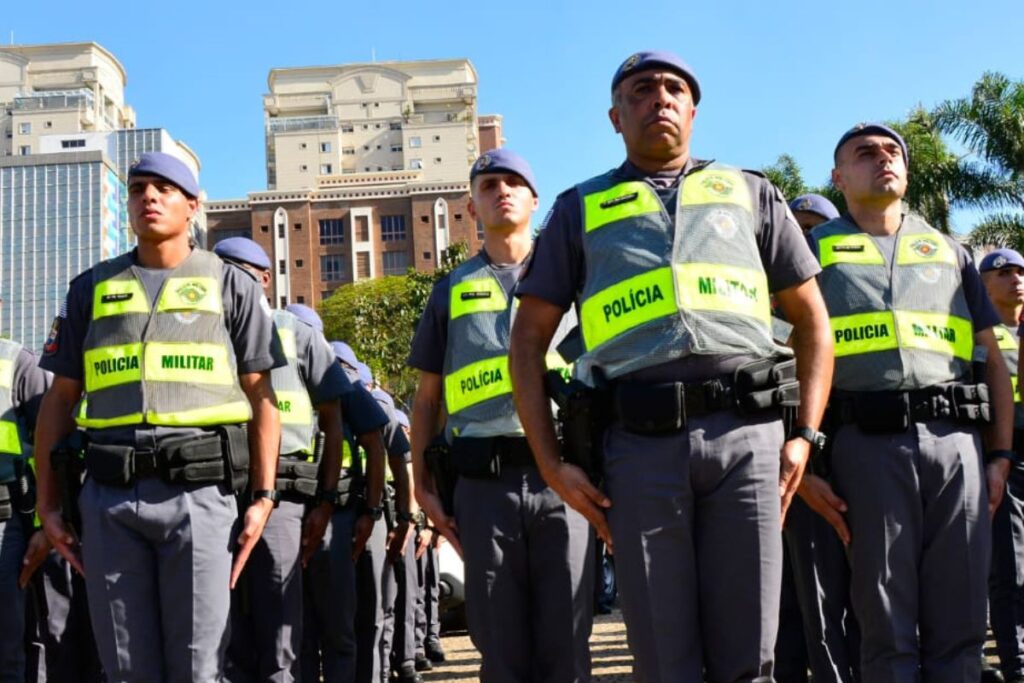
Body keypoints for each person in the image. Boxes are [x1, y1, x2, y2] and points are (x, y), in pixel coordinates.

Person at [508, 50, 834, 683]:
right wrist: (550, 463)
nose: (659, 97)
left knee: (751, 659)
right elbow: (526, 343)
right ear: (615, 116)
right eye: (640, 90)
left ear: (692, 109)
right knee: (663, 659)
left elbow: (814, 322)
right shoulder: (579, 209)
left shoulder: (751, 193)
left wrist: (805, 437)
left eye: (673, 88)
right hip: (638, 449)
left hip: (750, 440)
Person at [33, 152, 285, 682]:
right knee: (125, 668)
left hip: (198, 494)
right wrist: (47, 505)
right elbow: (59, 401)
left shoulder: (230, 285)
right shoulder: (91, 288)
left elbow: (264, 399)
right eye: (138, 188)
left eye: (165, 188)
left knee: (198, 665)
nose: (148, 196)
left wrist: (263, 497)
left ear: (193, 206)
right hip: (108, 499)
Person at [805, 123, 1013, 683]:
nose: (882, 159)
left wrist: (998, 456)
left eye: (892, 151)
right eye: (864, 153)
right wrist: (802, 466)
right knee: (885, 625)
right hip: (865, 450)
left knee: (963, 619)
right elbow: (783, 357)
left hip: (957, 448)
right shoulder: (808, 252)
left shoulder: (950, 251)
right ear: (838, 176)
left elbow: (990, 359)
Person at [410, 148, 595, 681]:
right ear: (471, 207)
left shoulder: (575, 283)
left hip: (562, 480)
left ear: (535, 201)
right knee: (500, 648)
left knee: (568, 644)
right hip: (483, 486)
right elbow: (427, 398)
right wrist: (423, 484)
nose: (502, 191)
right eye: (489, 184)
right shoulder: (449, 291)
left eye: (514, 182)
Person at [212, 239, 349, 683]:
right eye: (221, 268)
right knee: (222, 626)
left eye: (239, 270)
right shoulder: (204, 326)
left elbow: (334, 423)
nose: (229, 279)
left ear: (265, 278)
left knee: (279, 625)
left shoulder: (299, 334)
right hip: (216, 488)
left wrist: (325, 503)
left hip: (285, 498)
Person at [980, 248, 1024, 683]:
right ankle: (1016, 666)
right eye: (1003, 272)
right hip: (1003, 458)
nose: (1015, 279)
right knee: (1010, 570)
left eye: (1019, 271)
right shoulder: (980, 336)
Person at [0, 310, 51, 683]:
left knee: (7, 648)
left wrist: (44, 527)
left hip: (5, 524)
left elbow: (57, 447)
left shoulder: (18, 362)